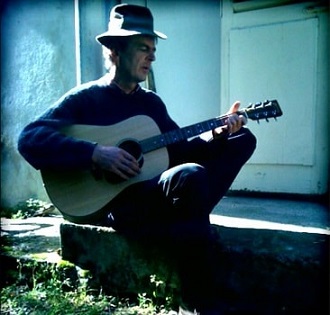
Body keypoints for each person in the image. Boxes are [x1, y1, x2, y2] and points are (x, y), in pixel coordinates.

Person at [18, 4, 256, 314]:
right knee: (192, 178)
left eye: (153, 49)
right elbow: (29, 139)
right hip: (119, 207)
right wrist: (95, 153)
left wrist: (218, 133)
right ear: (115, 50)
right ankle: (199, 299)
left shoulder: (151, 104)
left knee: (241, 141)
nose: (153, 56)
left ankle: (186, 229)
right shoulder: (85, 99)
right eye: (144, 48)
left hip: (151, 196)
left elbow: (181, 151)